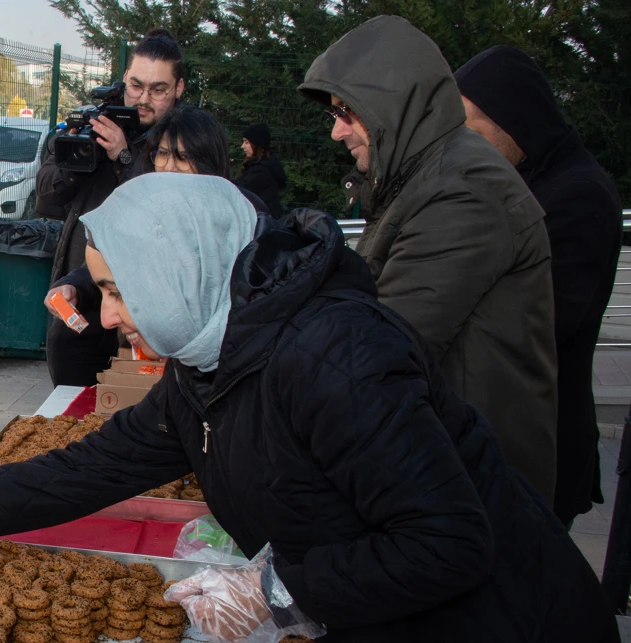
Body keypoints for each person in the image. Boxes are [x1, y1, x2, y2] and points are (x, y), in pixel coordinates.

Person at [0, 175, 631, 643]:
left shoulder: (333, 354)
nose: (104, 316)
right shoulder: (210, 363)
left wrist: (276, 587)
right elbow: (90, 467)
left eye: (114, 290)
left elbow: (449, 542)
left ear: (177, 271)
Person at [297, 16, 559, 501]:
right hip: (446, 468)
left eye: (345, 112)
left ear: (391, 106)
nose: (336, 133)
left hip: (475, 489)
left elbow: (383, 343)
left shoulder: (463, 188)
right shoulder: (418, 179)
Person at [455, 46, 624, 527]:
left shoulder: (578, 193)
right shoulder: (533, 178)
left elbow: (546, 317)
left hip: (542, 440)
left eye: (470, 124)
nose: (465, 139)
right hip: (516, 434)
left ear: (512, 120)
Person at [43, 106, 262, 369]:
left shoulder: (242, 214)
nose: (169, 167)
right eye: (163, 154)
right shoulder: (145, 208)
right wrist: (74, 286)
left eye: (183, 157)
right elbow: (114, 261)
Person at [37, 27, 185, 387]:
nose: (143, 99)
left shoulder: (183, 136)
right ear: (124, 79)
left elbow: (160, 204)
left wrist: (123, 155)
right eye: (136, 86)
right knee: (70, 410)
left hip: (143, 318)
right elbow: (46, 194)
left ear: (179, 89)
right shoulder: (99, 119)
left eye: (158, 89)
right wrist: (73, 159)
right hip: (81, 299)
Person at [233, 122, 286, 217]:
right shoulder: (263, 165)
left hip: (264, 223)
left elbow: (238, 189)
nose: (242, 146)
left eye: (246, 142)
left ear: (256, 144)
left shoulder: (261, 171)